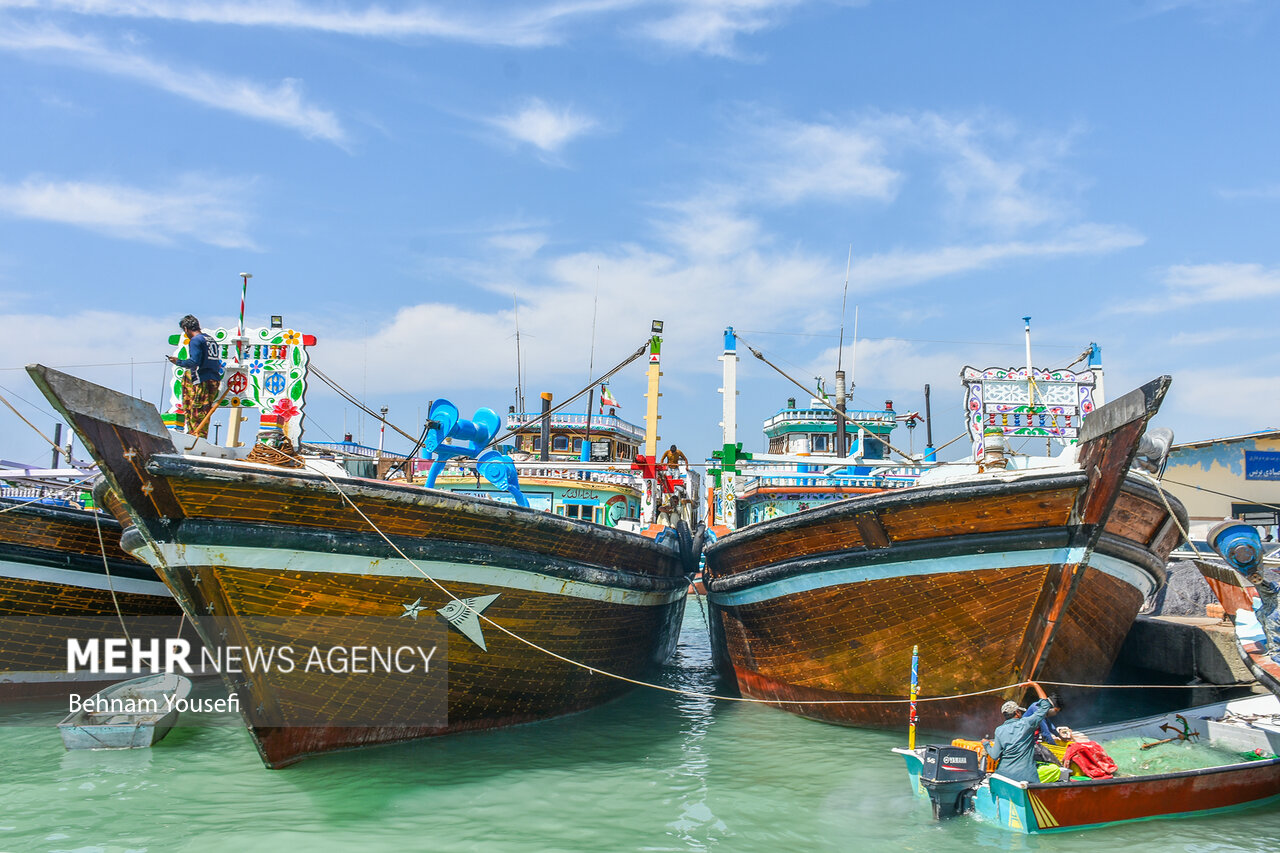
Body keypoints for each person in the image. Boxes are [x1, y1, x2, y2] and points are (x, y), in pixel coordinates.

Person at [982, 685, 1057, 785]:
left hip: (1003, 776)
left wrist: (986, 744)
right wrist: (1035, 685)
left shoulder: (999, 730)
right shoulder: (1027, 723)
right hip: (1026, 777)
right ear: (1017, 712)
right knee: (1055, 770)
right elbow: (1045, 705)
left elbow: (995, 755)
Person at [167, 314, 224, 439]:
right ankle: (200, 436)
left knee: (196, 411)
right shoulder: (210, 339)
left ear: (186, 329)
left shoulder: (196, 340)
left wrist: (178, 362)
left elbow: (194, 362)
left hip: (202, 380)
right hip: (214, 379)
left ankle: (196, 437)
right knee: (205, 410)